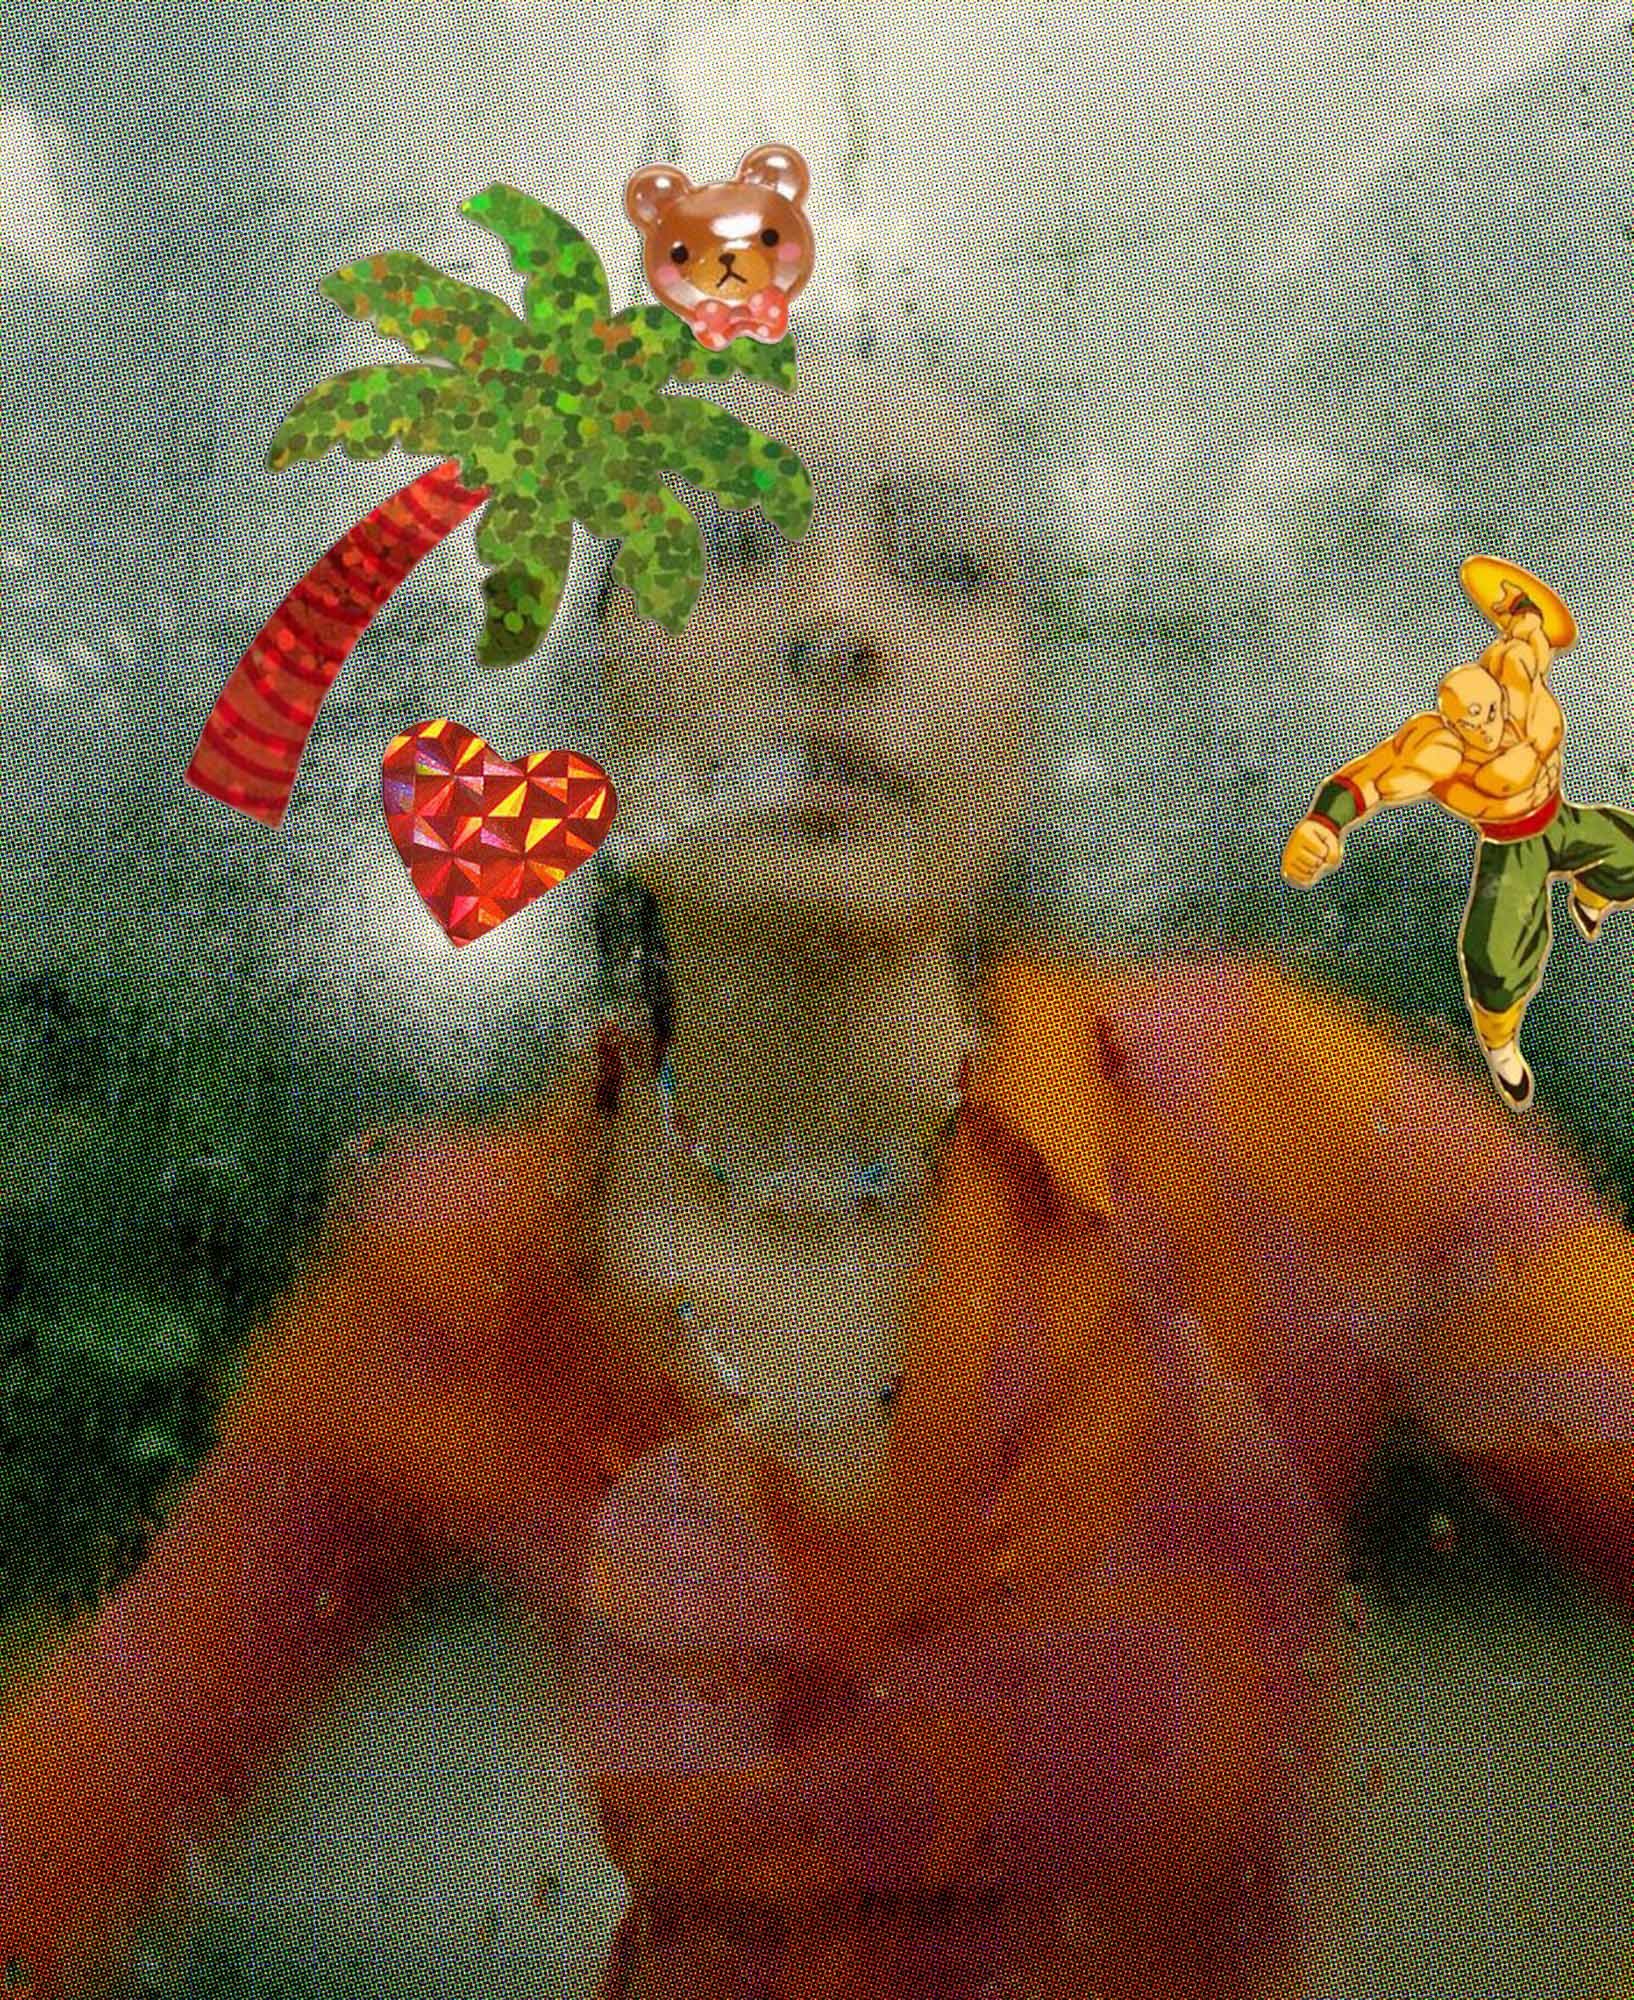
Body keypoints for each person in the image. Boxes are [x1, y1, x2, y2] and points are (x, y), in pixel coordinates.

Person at [3, 317, 1631, 2000]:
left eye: (941, 567)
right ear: (591, 717)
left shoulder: (1271, 1117)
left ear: (1024, 725)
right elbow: (69, 1807)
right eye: (723, 547)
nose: (835, 622)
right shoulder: (461, 1266)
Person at [1281, 561, 1634, 1110]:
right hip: (1511, 848)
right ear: (1455, 724)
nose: (1491, 727)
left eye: (1492, 712)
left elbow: (1530, 621)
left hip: (1558, 817)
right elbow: (1370, 778)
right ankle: (1500, 1044)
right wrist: (1322, 823)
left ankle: (1593, 894)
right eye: (1474, 722)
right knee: (1494, 957)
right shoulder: (1437, 751)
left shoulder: (1517, 668)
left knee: (1628, 850)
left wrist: (1516, 604)